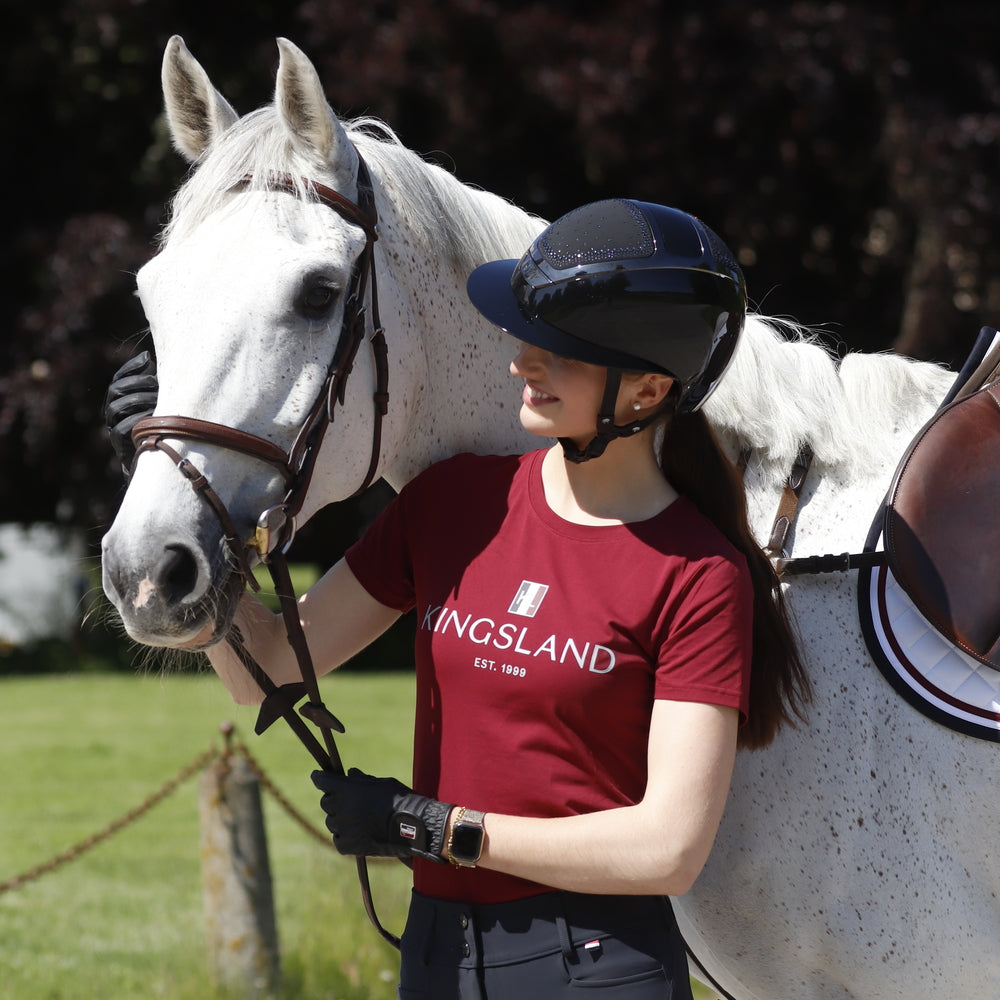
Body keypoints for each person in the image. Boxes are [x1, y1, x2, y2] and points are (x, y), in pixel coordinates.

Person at [107, 199, 810, 998]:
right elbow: (262, 665)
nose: (523, 361)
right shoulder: (452, 506)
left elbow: (668, 848)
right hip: (438, 957)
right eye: (529, 334)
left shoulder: (699, 573)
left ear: (649, 389)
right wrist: (176, 494)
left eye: (561, 350)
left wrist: (435, 830)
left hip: (598, 965)